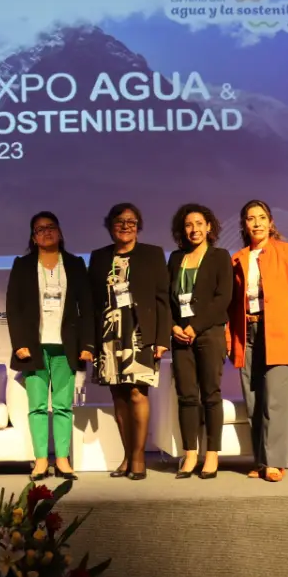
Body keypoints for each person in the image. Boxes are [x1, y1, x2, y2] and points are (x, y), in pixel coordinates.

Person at [227, 199, 288, 483]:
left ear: (271, 222)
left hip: (279, 333)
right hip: (248, 333)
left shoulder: (287, 252)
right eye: (251, 218)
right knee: (254, 401)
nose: (257, 223)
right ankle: (261, 460)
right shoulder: (238, 258)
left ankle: (275, 462)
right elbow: (232, 305)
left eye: (262, 217)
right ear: (244, 224)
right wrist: (230, 339)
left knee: (276, 402)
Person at [6, 211, 94, 482]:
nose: (46, 232)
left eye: (51, 227)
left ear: (60, 232)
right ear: (33, 237)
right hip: (33, 347)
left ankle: (63, 460)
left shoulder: (75, 264)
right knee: (37, 407)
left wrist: (87, 344)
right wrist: (19, 343)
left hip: (66, 346)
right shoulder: (22, 265)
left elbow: (87, 307)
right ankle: (41, 460)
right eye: (40, 229)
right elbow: (13, 307)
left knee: (63, 406)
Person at [87, 203, 170, 480]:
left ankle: (138, 457)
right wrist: (90, 342)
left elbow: (162, 299)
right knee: (119, 396)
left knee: (137, 393)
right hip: (108, 334)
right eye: (119, 221)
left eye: (131, 221)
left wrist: (161, 338)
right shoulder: (99, 257)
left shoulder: (152, 254)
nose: (125, 226)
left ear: (138, 226)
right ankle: (126, 456)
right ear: (110, 226)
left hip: (139, 333)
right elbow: (91, 302)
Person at [168, 204, 232, 480]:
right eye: (188, 225)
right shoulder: (175, 258)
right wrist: (173, 326)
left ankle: (212, 454)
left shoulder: (220, 256)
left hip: (209, 333)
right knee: (186, 396)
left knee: (210, 395)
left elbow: (223, 298)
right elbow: (166, 298)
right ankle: (190, 454)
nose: (193, 229)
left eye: (198, 224)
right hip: (180, 335)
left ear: (208, 227)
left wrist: (195, 326)